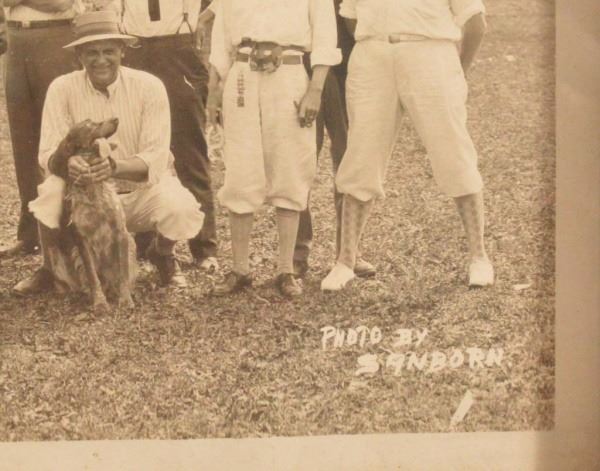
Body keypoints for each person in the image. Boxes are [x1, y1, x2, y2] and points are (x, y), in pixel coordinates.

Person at [13, 10, 205, 296]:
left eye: (109, 51)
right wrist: (68, 162)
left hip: (138, 194)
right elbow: (47, 154)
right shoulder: (61, 88)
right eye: (91, 52)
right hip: (86, 198)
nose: (100, 60)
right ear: (79, 55)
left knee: (180, 207)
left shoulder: (149, 86)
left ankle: (163, 254)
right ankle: (49, 268)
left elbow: (156, 156)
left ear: (123, 51)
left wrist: (114, 167)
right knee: (50, 192)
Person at [321, 0, 494, 290]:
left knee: (452, 152)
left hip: (431, 54)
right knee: (361, 155)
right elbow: (351, 18)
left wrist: (458, 70)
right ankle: (345, 262)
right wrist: (380, 41)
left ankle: (479, 257)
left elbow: (476, 23)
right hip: (372, 58)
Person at [207, 0, 340, 297]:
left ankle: (286, 270)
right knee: (240, 169)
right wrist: (213, 91)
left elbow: (325, 38)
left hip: (289, 73)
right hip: (242, 74)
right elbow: (220, 40)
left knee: (289, 166)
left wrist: (315, 90)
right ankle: (240, 269)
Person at [119, 0, 218, 271]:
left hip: (179, 48)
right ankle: (145, 246)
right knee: (138, 146)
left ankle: (204, 247)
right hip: (134, 48)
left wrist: (206, 17)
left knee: (190, 151)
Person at [293, 0, 375, 280]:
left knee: (349, 158)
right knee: (302, 156)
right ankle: (296, 251)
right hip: (305, 62)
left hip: (349, 66)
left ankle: (348, 250)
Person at [0, 0, 81, 259]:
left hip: (55, 35)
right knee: (23, 139)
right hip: (16, 37)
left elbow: (60, 3)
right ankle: (30, 233)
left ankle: (69, 231)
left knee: (60, 136)